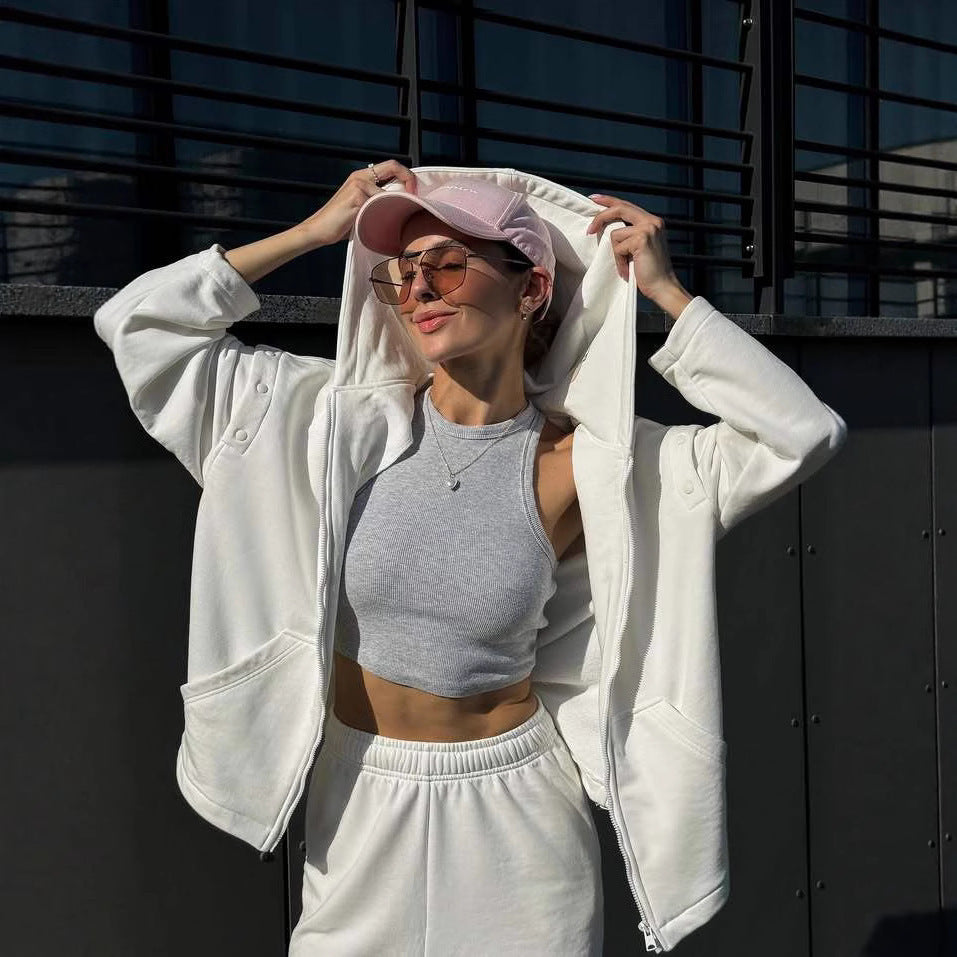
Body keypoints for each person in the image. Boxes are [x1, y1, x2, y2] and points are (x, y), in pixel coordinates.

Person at [93, 161, 847, 954]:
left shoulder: (591, 465)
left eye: (449, 264)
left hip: (516, 812)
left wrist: (664, 292)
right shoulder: (319, 422)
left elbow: (800, 432)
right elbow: (138, 326)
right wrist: (316, 232)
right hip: (359, 799)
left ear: (530, 290)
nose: (419, 287)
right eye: (401, 272)